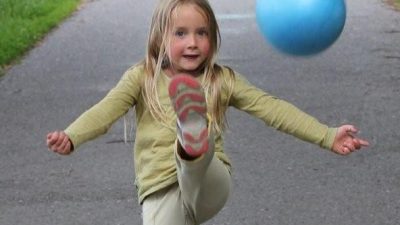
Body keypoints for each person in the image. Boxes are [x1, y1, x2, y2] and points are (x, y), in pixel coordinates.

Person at [46, 0, 369, 224]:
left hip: (210, 183)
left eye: (202, 33)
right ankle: (191, 137)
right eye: (181, 33)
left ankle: (192, 136)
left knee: (197, 155)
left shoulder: (221, 80)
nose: (193, 43)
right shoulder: (141, 77)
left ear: (213, 38)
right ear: (159, 38)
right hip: (160, 189)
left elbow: (272, 108)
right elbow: (105, 111)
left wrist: (327, 135)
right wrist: (72, 135)